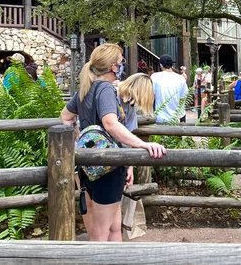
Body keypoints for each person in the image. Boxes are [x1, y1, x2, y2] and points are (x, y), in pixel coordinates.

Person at [60, 43, 165, 242]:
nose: (122, 66)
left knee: (111, 226)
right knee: (101, 231)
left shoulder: (85, 88)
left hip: (88, 167)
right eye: (120, 62)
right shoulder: (106, 89)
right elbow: (110, 123)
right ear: (112, 67)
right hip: (108, 167)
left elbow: (66, 116)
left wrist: (80, 138)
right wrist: (141, 145)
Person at [151, 54, 188, 123]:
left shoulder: (155, 77)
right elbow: (184, 96)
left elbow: (151, 94)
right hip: (178, 116)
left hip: (160, 117)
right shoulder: (181, 78)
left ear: (161, 65)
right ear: (171, 65)